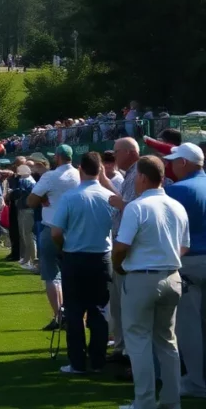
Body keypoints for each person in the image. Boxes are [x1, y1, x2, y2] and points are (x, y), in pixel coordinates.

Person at [112, 155, 189, 409]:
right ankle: (171, 401)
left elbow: (121, 246)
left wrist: (118, 266)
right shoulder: (177, 206)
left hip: (142, 277)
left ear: (143, 177)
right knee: (167, 342)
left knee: (139, 341)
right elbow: (184, 247)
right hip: (172, 276)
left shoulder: (137, 206)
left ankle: (144, 402)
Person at [52, 152, 115, 375]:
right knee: (98, 311)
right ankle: (98, 361)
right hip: (101, 258)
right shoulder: (109, 195)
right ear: (101, 170)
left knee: (75, 311)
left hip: (75, 257)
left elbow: (56, 232)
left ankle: (77, 362)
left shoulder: (71, 197)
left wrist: (62, 249)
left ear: (81, 169)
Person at [161, 143, 206, 398]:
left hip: (190, 263)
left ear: (185, 163)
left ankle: (197, 383)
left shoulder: (176, 190)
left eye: (175, 161)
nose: (171, 165)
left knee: (188, 326)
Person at [28, 144, 81, 331]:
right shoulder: (79, 175)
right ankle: (72, 315)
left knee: (51, 274)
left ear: (57, 157)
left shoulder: (50, 176)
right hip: (76, 231)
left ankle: (59, 316)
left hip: (52, 229)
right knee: (72, 275)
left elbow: (30, 200)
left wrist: (42, 198)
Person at [109, 137, 142, 358]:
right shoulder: (130, 173)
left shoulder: (137, 172)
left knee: (128, 307)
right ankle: (123, 348)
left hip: (129, 250)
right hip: (125, 245)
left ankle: (129, 354)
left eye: (116, 151)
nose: (114, 155)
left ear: (130, 152)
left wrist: (119, 203)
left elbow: (135, 210)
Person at [13, 165, 38, 270]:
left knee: (28, 236)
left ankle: (34, 261)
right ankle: (27, 259)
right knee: (25, 235)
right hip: (26, 209)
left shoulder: (27, 181)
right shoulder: (28, 180)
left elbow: (19, 193)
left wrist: (12, 192)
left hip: (27, 210)